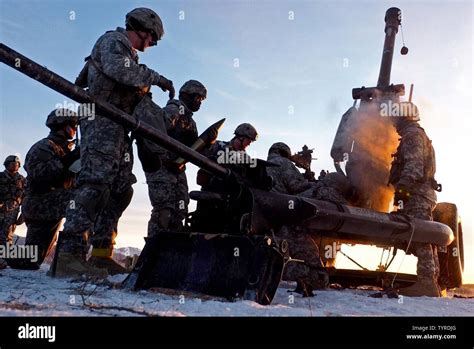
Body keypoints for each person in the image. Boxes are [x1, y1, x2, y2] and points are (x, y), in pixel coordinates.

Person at [55, 7, 175, 277]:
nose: (152, 44)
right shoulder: (112, 41)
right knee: (95, 183)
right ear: (143, 30)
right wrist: (155, 78)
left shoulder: (130, 55)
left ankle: (100, 254)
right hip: (100, 121)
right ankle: (68, 254)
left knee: (121, 189)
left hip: (119, 127)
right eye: (152, 38)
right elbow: (120, 73)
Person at [8, 109, 78, 270]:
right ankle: (73, 258)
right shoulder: (44, 147)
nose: (75, 129)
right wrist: (69, 160)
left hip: (51, 203)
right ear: (62, 125)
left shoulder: (65, 149)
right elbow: (42, 175)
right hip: (42, 203)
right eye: (73, 125)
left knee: (31, 260)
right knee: (87, 197)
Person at [389, 102, 441, 297]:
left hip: (417, 193)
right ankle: (431, 281)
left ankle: (426, 282)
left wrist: (403, 189)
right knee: (426, 235)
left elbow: (414, 165)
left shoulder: (411, 135)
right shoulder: (418, 134)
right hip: (423, 192)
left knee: (420, 235)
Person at [145, 80, 207, 235]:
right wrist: (165, 160)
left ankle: (172, 249)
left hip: (178, 169)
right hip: (162, 166)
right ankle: (154, 249)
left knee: (180, 210)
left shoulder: (190, 121)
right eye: (198, 98)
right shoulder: (174, 110)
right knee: (164, 210)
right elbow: (153, 134)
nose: (199, 103)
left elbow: (193, 150)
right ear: (186, 95)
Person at [266, 142, 328, 294]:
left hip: (270, 216)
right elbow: (296, 186)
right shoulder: (283, 163)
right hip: (287, 215)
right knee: (306, 251)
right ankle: (314, 280)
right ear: (285, 153)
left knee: (284, 251)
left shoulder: (266, 165)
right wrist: (315, 183)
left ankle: (300, 283)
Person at [0, 155, 26, 268]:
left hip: (12, 213)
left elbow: (26, 197)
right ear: (6, 164)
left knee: (7, 237)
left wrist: (23, 215)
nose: (15, 165)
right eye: (12, 163)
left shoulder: (22, 180)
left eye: (17, 164)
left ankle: (4, 261)